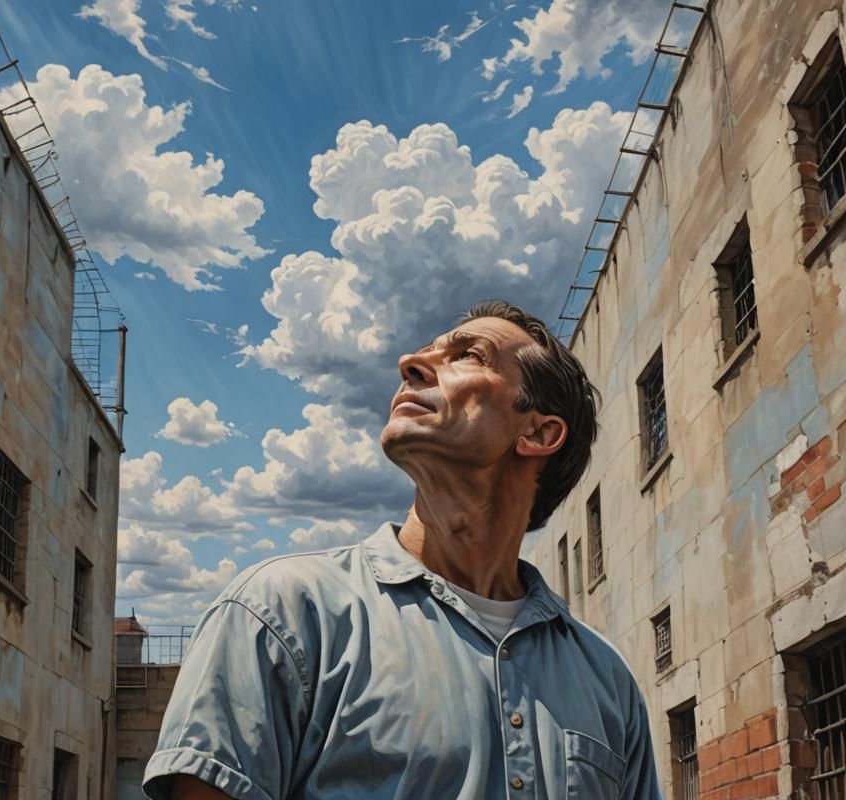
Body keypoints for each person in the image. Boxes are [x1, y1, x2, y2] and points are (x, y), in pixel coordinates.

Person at [143, 300, 662, 800]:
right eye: (427, 352)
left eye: (468, 355)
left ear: (539, 431)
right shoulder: (281, 613)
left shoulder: (606, 678)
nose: (409, 363)